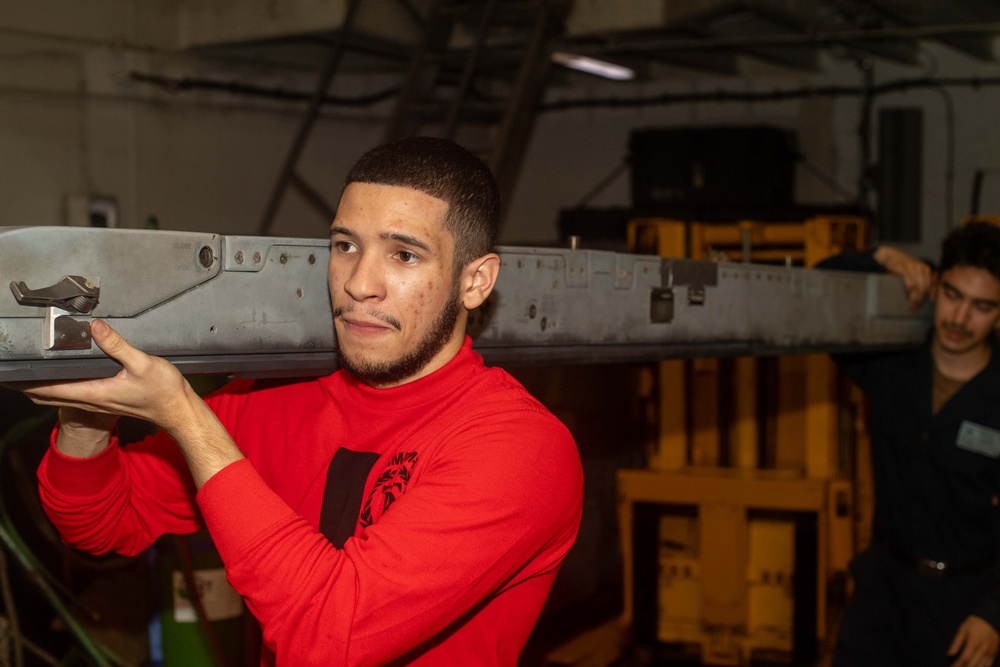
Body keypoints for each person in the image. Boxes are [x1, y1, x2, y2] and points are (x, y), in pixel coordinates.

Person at [18, 137, 584, 666]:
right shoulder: (276, 403)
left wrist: (188, 419)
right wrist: (87, 417)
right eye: (345, 246)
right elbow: (100, 521)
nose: (360, 283)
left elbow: (330, 636)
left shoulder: (520, 448)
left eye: (404, 256)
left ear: (476, 281)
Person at [820, 222, 1000, 667]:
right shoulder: (891, 366)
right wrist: (881, 258)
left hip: (966, 611)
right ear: (936, 285)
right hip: (884, 597)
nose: (959, 319)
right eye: (953, 295)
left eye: (981, 307)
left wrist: (995, 614)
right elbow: (820, 289)